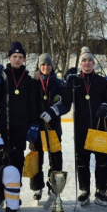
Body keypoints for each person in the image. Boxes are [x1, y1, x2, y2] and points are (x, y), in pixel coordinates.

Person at [63, 47, 107, 205]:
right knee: (82, 161)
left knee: (102, 161)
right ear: (80, 64)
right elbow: (66, 103)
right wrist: (66, 83)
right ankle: (85, 190)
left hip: (100, 127)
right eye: (84, 61)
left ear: (94, 63)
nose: (87, 63)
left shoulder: (101, 81)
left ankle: (101, 190)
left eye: (89, 60)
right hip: (81, 128)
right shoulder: (75, 81)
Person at [0, 42, 40, 180]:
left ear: (24, 59)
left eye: (20, 56)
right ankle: (0, 191)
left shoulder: (28, 80)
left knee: (17, 159)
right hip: (2, 125)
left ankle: (15, 190)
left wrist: (34, 124)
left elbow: (33, 105)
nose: (17, 59)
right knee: (0, 157)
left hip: (21, 127)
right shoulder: (2, 76)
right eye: (14, 56)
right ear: (9, 58)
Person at [31, 53, 70, 201]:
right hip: (36, 127)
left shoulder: (58, 84)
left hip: (53, 127)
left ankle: (54, 187)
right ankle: (37, 187)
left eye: (48, 64)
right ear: (39, 67)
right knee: (36, 157)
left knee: (55, 158)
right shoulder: (33, 82)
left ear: (52, 66)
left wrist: (54, 112)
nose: (46, 67)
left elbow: (65, 105)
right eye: (43, 65)